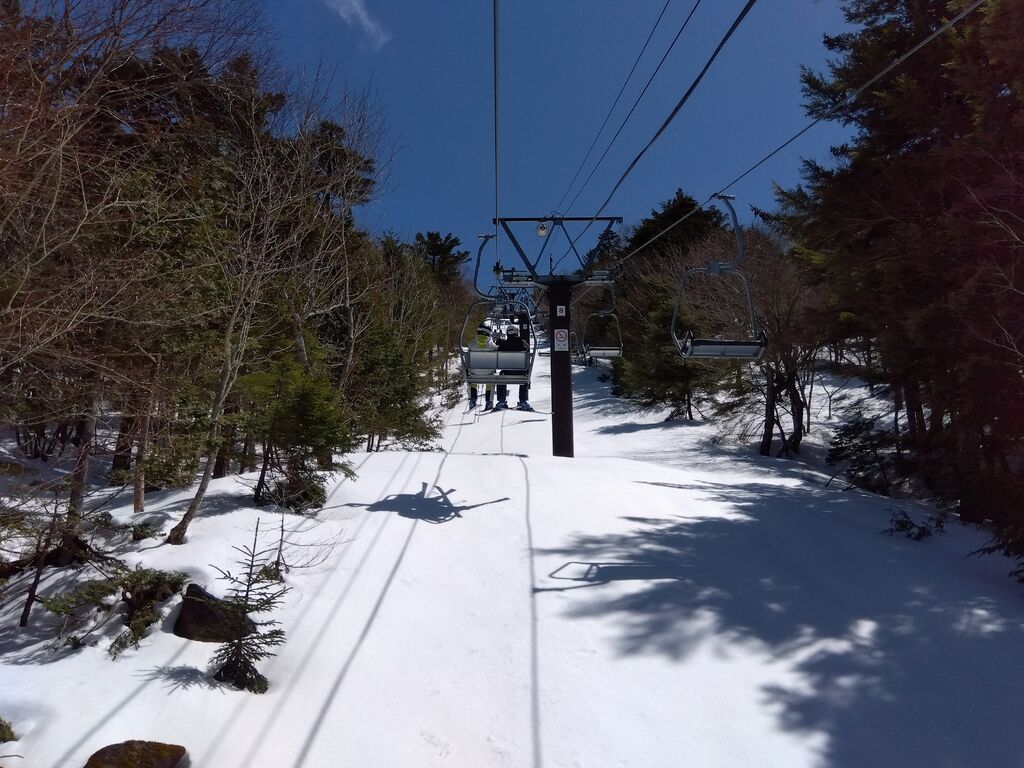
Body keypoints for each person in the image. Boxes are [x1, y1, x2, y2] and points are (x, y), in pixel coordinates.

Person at [495, 324, 533, 411]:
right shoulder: (522, 343)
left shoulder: (504, 344)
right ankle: (523, 401)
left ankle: (501, 401)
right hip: (521, 372)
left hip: (506, 372)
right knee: (525, 376)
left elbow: (498, 349)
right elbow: (527, 349)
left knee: (500, 377)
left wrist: (500, 342)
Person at [467, 324, 494, 410]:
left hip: (475, 371)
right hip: (488, 372)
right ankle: (489, 401)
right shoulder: (491, 344)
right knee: (489, 381)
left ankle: (473, 400)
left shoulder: (472, 343)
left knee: (473, 381)